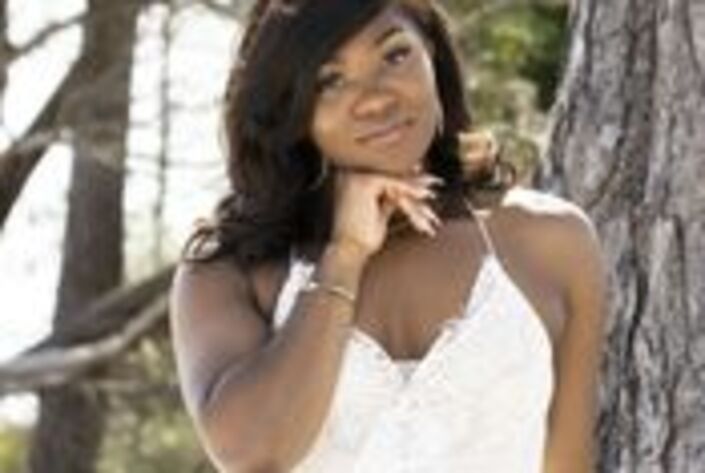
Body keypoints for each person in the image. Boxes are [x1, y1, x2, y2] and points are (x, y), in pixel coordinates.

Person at [169, 0, 607, 471]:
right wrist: (344, 256)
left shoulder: (551, 243)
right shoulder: (230, 274)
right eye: (330, 80)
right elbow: (255, 455)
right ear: (291, 108)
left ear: (432, 55)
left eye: (395, 56)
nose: (376, 99)